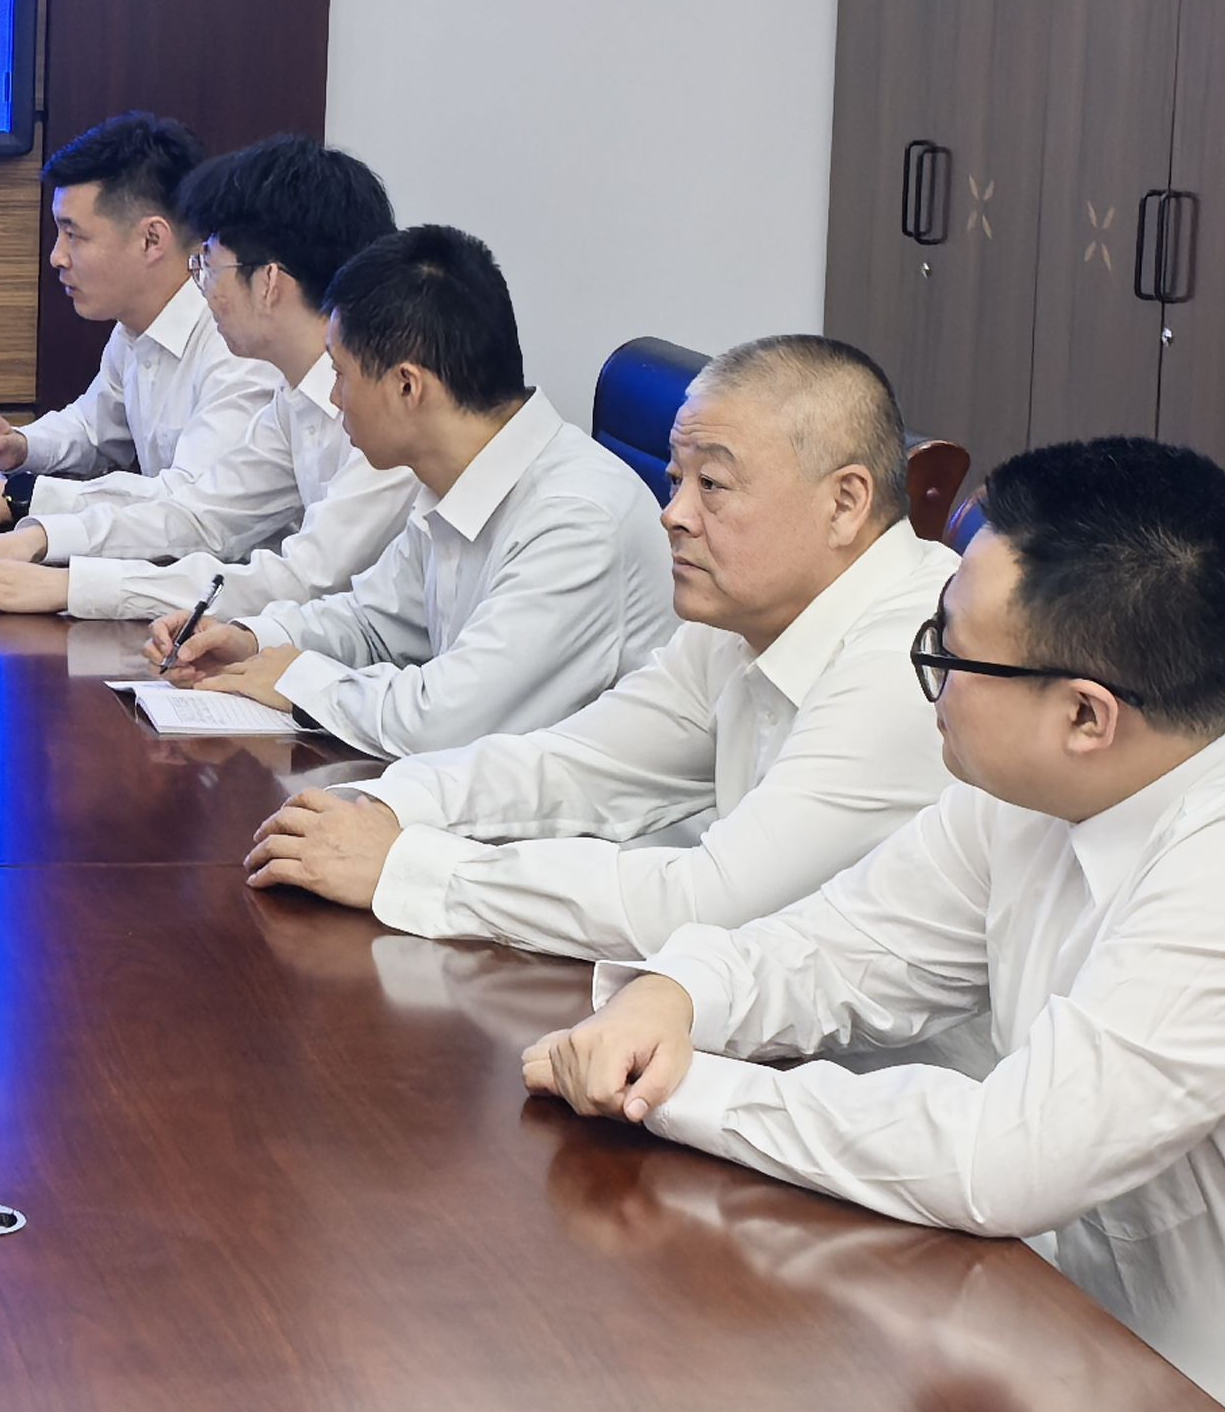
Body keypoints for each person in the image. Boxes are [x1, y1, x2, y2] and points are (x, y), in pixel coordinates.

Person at [524, 436, 1225, 1412]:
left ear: (1086, 715)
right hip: (1077, 1345)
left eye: (948, 656)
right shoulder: (1058, 775)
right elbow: (846, 945)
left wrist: (674, 1087)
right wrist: (677, 994)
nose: (933, 683)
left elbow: (1004, 1160)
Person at [247, 335, 957, 958]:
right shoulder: (742, 614)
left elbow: (711, 902)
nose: (673, 515)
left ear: (845, 502)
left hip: (886, 1064)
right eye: (676, 481)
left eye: (713, 484)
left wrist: (408, 868)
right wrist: (384, 807)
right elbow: (578, 762)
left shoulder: (910, 660)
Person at [161, 226, 674, 754]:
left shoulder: (576, 520)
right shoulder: (457, 477)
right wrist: (252, 640)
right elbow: (372, 623)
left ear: (407, 385)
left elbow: (450, 721)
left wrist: (298, 683)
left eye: (341, 374)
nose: (335, 399)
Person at [0, 134, 409, 620]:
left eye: (209, 266)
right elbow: (201, 513)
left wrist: (68, 581)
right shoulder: (295, 395)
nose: (203, 288)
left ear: (269, 282)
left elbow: (304, 579)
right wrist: (43, 538)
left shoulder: (390, 407)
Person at [0, 112, 294, 557]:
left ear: (152, 240)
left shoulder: (236, 340)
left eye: (73, 235)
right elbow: (94, 427)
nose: (56, 257)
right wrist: (20, 447)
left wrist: (19, 497)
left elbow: (190, 504)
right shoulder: (135, 327)